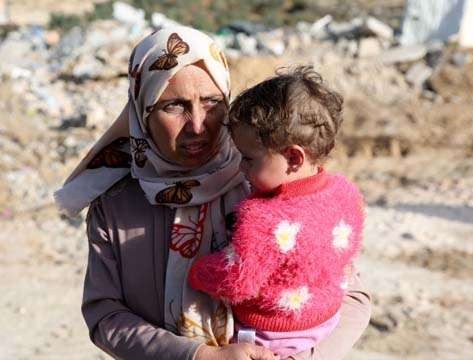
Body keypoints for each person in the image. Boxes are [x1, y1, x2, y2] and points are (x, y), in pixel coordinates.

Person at [54, 26, 371, 360]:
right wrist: (199, 356)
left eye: (211, 102)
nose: (198, 124)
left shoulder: (265, 178)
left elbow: (353, 294)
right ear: (142, 111)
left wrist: (307, 357)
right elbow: (105, 316)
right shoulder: (116, 206)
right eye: (175, 106)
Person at [188, 66, 365, 358]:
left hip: (272, 338)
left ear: (293, 156)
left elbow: (238, 281)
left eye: (248, 158)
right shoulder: (345, 191)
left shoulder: (263, 218)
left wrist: (197, 271)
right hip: (327, 324)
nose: (241, 167)